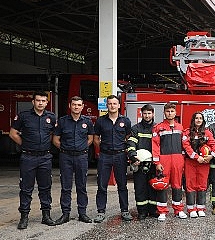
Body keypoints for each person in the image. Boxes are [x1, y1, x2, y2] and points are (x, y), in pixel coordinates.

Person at [9, 91, 57, 229]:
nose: (40, 103)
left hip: (45, 157)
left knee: (45, 187)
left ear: (47, 103)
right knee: (26, 188)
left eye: (43, 101)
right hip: (28, 157)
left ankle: (46, 216)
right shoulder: (24, 116)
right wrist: (24, 145)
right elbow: (13, 133)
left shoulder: (51, 117)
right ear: (33, 102)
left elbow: (54, 134)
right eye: (38, 100)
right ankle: (24, 217)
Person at [52, 96, 95, 224]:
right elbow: (55, 139)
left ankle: (82, 213)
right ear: (70, 106)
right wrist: (66, 148)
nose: (76, 107)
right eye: (74, 104)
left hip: (81, 157)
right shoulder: (63, 121)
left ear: (82, 107)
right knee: (66, 186)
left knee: (81, 186)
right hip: (66, 157)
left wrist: (80, 148)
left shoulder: (87, 122)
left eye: (79, 105)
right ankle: (65, 214)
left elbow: (90, 139)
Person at [93, 94, 132, 223]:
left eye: (114, 103)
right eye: (109, 103)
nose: (112, 106)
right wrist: (103, 149)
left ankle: (125, 210)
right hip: (105, 155)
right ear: (106, 105)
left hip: (120, 156)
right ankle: (100, 212)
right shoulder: (100, 121)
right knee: (102, 185)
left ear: (119, 105)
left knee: (122, 185)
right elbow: (96, 139)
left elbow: (128, 138)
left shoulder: (125, 121)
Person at [182, 112, 215, 217]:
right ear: (193, 120)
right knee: (190, 184)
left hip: (204, 163)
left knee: (202, 184)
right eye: (196, 118)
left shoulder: (207, 133)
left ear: (203, 120)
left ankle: (200, 208)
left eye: (200, 118)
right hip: (191, 162)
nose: (198, 120)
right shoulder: (187, 133)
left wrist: (211, 156)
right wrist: (196, 157)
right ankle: (191, 209)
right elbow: (186, 147)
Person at [152, 102, 185, 221]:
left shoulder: (180, 128)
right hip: (164, 159)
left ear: (175, 113)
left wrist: (183, 161)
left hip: (177, 160)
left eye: (172, 111)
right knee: (162, 185)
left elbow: (184, 145)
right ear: (164, 113)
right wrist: (157, 163)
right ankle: (162, 211)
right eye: (168, 111)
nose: (170, 113)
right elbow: (155, 146)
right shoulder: (158, 127)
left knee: (177, 185)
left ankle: (179, 210)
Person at [126, 104, 157, 220]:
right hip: (139, 163)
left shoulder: (157, 128)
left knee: (153, 187)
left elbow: (159, 145)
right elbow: (131, 143)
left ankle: (153, 210)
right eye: (145, 113)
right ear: (141, 114)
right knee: (140, 188)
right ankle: (142, 212)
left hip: (153, 163)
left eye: (149, 113)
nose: (147, 115)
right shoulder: (136, 128)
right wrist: (133, 157)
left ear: (153, 114)